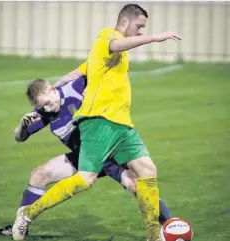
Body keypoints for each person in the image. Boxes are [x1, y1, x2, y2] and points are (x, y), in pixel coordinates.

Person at [12, 4, 181, 241]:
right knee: (81, 179)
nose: (141, 31)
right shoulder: (107, 37)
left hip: (120, 124)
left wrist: (58, 88)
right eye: (140, 26)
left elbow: (77, 72)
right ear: (125, 21)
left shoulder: (101, 62)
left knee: (146, 172)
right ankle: (27, 214)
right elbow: (117, 43)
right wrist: (155, 38)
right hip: (99, 124)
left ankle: (157, 235)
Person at [0, 76, 171, 237]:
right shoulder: (43, 112)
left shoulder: (75, 88)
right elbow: (19, 137)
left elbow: (97, 70)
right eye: (40, 107)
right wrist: (23, 125)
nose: (46, 109)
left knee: (137, 186)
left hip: (108, 152)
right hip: (84, 156)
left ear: (53, 89)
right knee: (39, 174)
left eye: (47, 103)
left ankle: (171, 226)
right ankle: (20, 226)